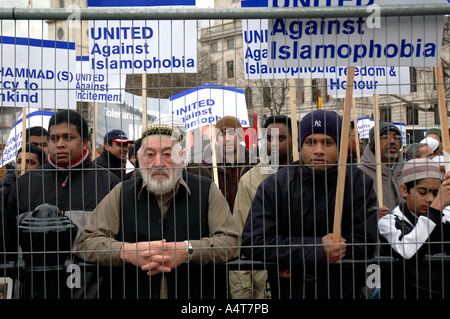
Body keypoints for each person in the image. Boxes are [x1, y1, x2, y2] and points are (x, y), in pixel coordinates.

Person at [77, 122, 240, 299]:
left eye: (168, 154)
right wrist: (126, 251)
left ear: (182, 157)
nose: (158, 163)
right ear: (139, 158)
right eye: (150, 155)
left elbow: (231, 241)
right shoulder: (121, 192)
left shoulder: (207, 190)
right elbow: (87, 242)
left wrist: (188, 250)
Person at [241, 110, 378, 299]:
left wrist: (291, 259)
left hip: (342, 290)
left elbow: (366, 242)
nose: (319, 150)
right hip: (290, 291)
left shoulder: (358, 183)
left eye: (327, 142)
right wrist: (317, 250)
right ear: (300, 145)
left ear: (339, 145)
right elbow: (254, 242)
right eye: (310, 142)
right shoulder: (276, 186)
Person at [0, 110, 120, 298]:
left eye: (68, 137)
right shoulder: (26, 184)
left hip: (91, 291)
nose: (60, 144)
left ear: (85, 141)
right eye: (54, 138)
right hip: (31, 291)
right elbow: (8, 244)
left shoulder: (108, 184)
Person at [230, 115, 293, 299]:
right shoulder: (249, 181)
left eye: (280, 138)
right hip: (264, 288)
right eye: (269, 138)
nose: (273, 144)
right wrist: (243, 296)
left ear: (293, 140)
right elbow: (239, 240)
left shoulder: (309, 179)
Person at [378, 158, 450, 299]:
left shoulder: (445, 217)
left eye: (436, 193)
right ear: (404, 190)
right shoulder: (389, 222)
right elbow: (408, 252)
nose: (430, 199)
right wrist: (436, 208)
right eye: (423, 192)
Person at [200, 115, 258, 212]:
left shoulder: (254, 165)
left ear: (240, 137)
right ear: (217, 139)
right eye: (222, 134)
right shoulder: (207, 168)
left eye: (231, 133)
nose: (227, 139)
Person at [359, 122, 405, 218]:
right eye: (385, 137)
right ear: (373, 143)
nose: (392, 141)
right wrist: (368, 215)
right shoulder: (359, 174)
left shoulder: (409, 171)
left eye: (396, 137)